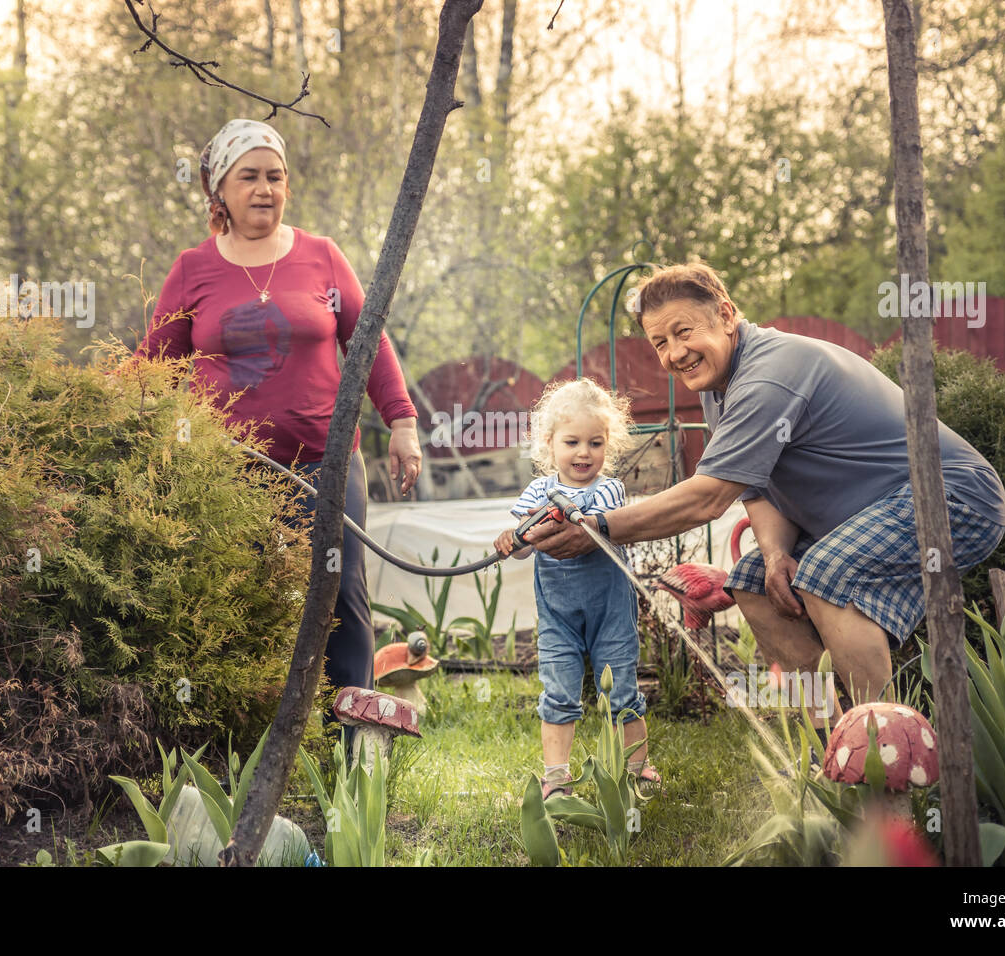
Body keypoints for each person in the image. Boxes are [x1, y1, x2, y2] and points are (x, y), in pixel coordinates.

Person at [526, 261, 1005, 723]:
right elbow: (754, 487)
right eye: (659, 342)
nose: (674, 353)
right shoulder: (722, 387)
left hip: (955, 496)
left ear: (726, 314)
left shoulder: (768, 373)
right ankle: (832, 754)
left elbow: (709, 497)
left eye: (684, 331)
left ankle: (888, 757)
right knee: (753, 581)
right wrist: (776, 554)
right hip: (877, 510)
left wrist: (601, 528)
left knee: (826, 571)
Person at [132, 118, 423, 720]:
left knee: (341, 597)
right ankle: (243, 740)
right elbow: (153, 363)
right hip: (227, 473)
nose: (265, 189)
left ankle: (354, 753)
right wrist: (90, 405)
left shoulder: (320, 256)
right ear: (220, 191)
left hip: (325, 465)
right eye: (250, 177)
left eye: (275, 177)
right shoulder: (193, 269)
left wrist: (402, 420)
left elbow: (368, 342)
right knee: (234, 599)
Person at [493, 378, 657, 799]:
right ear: (550, 444)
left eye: (595, 443)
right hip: (558, 617)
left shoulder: (609, 489)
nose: (584, 453)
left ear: (609, 445)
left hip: (611, 613)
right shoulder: (536, 492)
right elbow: (523, 551)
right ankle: (557, 777)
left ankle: (637, 766)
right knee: (559, 691)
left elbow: (598, 528)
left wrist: (563, 516)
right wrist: (512, 540)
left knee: (622, 690)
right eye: (572, 442)